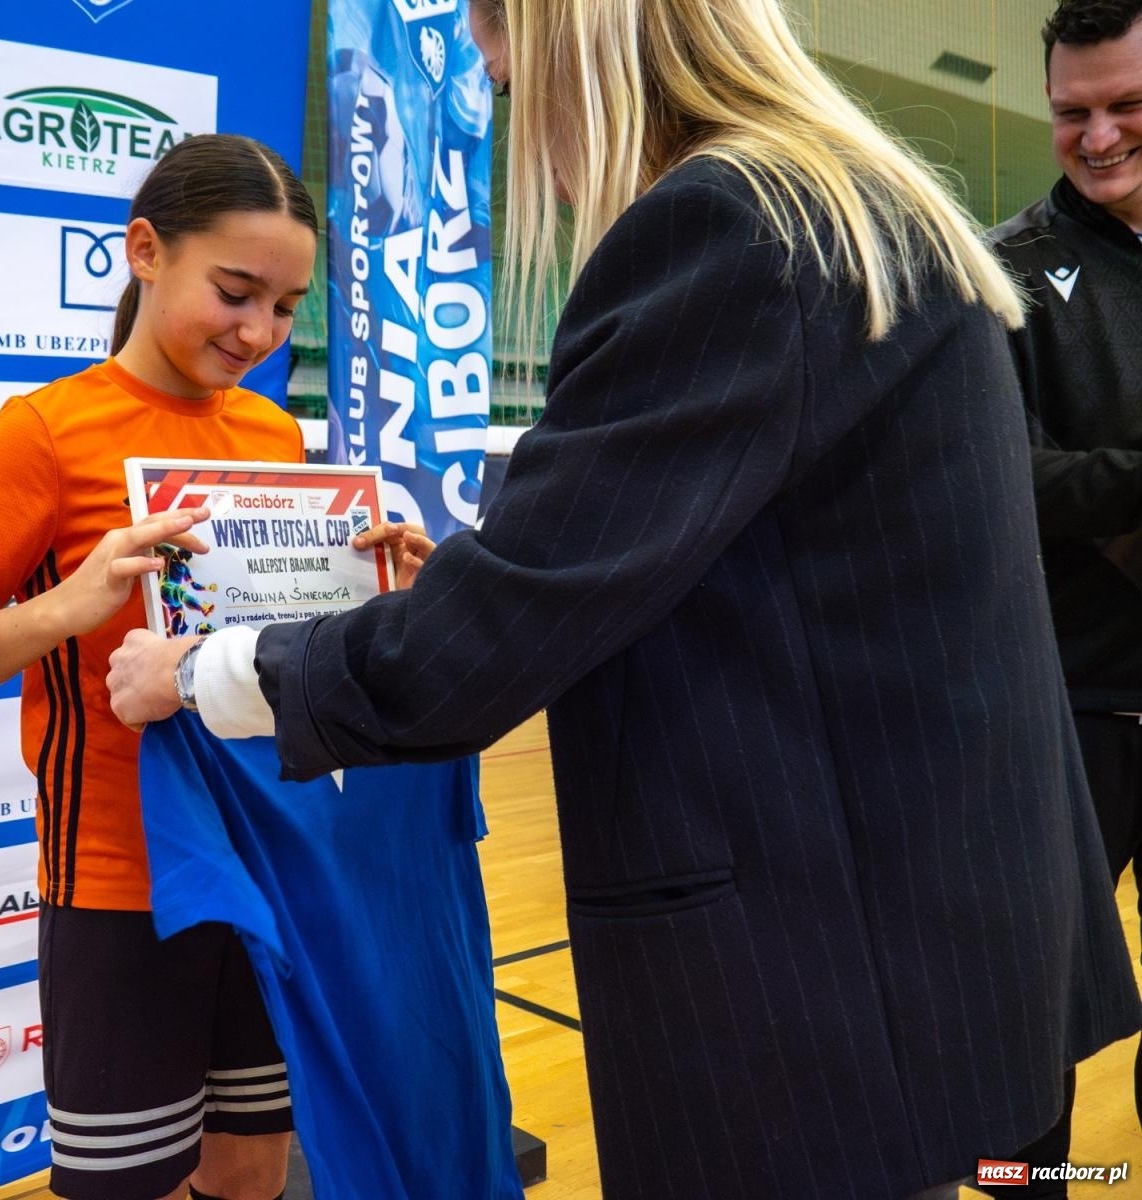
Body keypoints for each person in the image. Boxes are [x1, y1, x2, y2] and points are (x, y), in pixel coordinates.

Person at [105, 1, 1142, 1197]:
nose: (513, 120)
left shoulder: (728, 224)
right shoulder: (867, 209)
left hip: (816, 975)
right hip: (934, 936)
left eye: (505, 76)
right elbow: (765, 567)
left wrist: (208, 669)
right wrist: (509, 576)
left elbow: (492, 641)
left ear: (572, 44)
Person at [0, 133, 347, 1200]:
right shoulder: (44, 434)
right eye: (234, 292)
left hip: (269, 858)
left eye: (286, 307)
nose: (259, 332)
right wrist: (72, 601)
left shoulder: (276, 434)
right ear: (145, 251)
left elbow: (271, 646)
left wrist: (367, 587)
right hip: (117, 880)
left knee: (253, 1167)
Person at [988, 1, 1142, 1191]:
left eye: (1127, 107)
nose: (1096, 138)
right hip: (1065, 713)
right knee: (1025, 1033)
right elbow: (1003, 481)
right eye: (1070, 113)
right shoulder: (1003, 274)